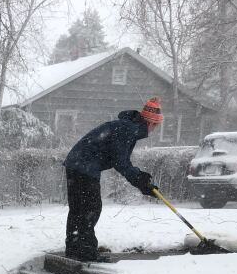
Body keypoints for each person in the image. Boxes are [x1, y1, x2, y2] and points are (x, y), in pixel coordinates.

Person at [62, 97, 164, 261]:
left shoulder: (126, 127)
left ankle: (75, 250)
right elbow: (120, 161)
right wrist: (139, 179)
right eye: (156, 126)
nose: (154, 130)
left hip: (77, 163)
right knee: (90, 208)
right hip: (85, 165)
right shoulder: (127, 129)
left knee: (79, 209)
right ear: (151, 123)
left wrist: (141, 181)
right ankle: (85, 253)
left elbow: (120, 160)